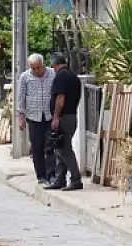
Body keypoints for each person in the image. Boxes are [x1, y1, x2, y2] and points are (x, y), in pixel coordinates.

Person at [15, 53, 56, 185]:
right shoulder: (25, 77)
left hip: (50, 116)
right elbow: (21, 98)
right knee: (37, 148)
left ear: (43, 64)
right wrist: (20, 117)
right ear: (30, 67)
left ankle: (51, 175)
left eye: (39, 67)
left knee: (50, 146)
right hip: (34, 117)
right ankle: (41, 176)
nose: (37, 71)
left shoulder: (53, 74)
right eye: (33, 68)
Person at [47, 52, 84, 191]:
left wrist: (56, 117)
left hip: (64, 117)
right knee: (59, 148)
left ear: (54, 65)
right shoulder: (74, 77)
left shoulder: (61, 76)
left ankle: (75, 179)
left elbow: (60, 99)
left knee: (64, 149)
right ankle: (60, 179)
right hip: (72, 116)